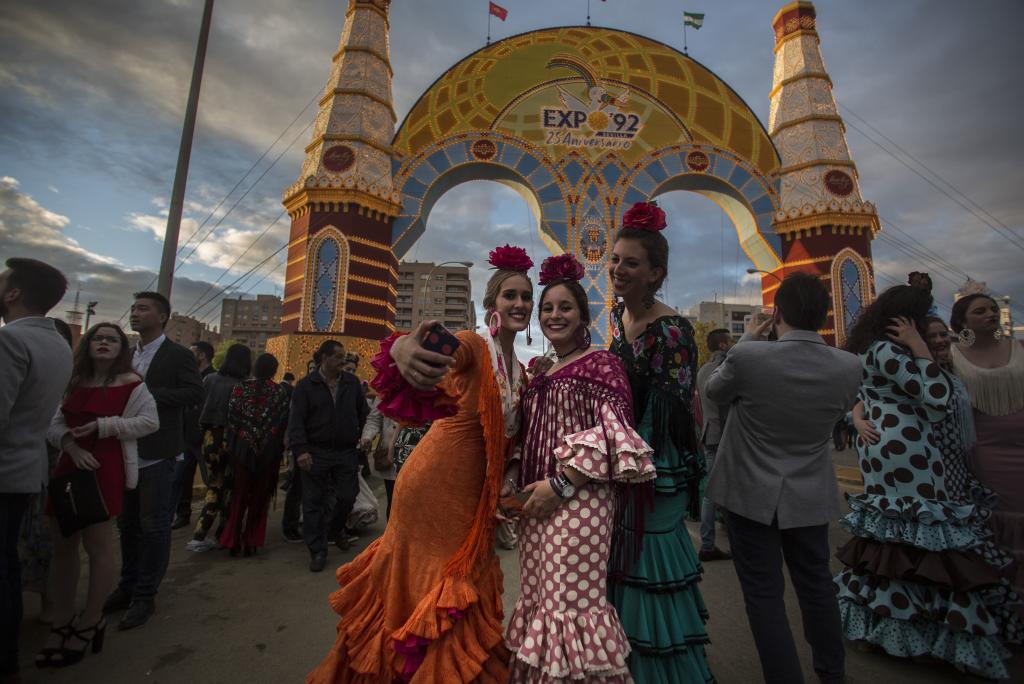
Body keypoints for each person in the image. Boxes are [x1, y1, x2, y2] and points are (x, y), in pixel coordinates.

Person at [306, 245, 533, 683]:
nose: (520, 304)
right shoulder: (472, 345)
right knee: (432, 587)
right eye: (510, 295)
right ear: (492, 306)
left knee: (458, 585)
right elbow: (433, 346)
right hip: (432, 487)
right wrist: (402, 351)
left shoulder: (520, 370)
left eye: (526, 296)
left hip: (472, 500)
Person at [835, 285, 1016, 679]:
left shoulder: (872, 350)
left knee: (898, 538)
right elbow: (936, 394)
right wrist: (918, 346)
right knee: (924, 536)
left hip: (891, 451)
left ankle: (896, 626)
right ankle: (923, 633)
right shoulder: (890, 351)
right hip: (907, 452)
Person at [503, 253, 656, 681]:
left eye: (565, 307)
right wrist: (514, 480)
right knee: (537, 596)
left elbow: (615, 436)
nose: (555, 315)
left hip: (580, 502)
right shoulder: (539, 369)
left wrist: (562, 485)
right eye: (547, 308)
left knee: (569, 604)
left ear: (583, 314)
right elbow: (528, 435)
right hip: (536, 501)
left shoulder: (602, 364)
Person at [705, 273, 861, 684]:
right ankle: (832, 673)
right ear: (824, 314)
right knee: (816, 586)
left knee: (764, 595)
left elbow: (714, 392)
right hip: (809, 496)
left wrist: (746, 340)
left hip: (749, 494)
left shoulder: (751, 358)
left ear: (776, 313)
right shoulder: (849, 367)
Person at [605, 203, 713, 682]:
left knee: (648, 573)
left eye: (631, 263)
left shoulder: (671, 331)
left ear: (655, 274)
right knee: (622, 573)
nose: (618, 270)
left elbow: (668, 418)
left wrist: (617, 457)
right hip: (621, 465)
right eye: (614, 259)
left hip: (654, 472)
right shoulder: (619, 316)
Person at [36, 323, 159, 668]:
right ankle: (61, 621)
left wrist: (104, 427)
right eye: (98, 338)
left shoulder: (131, 384)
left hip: (105, 467)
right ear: (87, 344)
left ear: (122, 348)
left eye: (112, 340)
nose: (104, 344)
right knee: (63, 546)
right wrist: (70, 446)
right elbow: (53, 423)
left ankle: (91, 620)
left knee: (99, 545)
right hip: (70, 466)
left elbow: (150, 422)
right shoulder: (74, 381)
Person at [103, 291, 203, 631]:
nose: (135, 314)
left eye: (143, 309)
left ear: (162, 317)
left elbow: (193, 393)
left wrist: (146, 395)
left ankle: (146, 594)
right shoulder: (126, 356)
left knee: (154, 525)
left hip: (159, 452)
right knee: (127, 523)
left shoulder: (177, 356)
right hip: (125, 450)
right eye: (133, 308)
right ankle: (127, 585)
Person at [0, 257, 72, 683]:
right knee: (7, 567)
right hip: (24, 472)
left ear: (13, 293)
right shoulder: (56, 343)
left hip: (4, 471)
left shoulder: (11, 341)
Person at [949, 292, 1024, 586]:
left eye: (993, 309)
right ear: (962, 322)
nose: (990, 314)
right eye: (980, 311)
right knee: (997, 518)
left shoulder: (1017, 348)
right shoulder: (952, 357)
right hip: (984, 451)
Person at [288, 340, 368, 571]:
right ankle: (317, 550)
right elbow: (296, 422)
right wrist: (300, 450)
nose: (343, 361)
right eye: (338, 357)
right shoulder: (305, 386)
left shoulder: (352, 383)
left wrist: (364, 437)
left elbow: (363, 413)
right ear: (324, 358)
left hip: (345, 452)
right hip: (315, 452)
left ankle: (335, 529)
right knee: (313, 502)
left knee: (347, 495)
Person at [218, 353, 289, 556]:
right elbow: (281, 425)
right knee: (260, 497)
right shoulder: (279, 393)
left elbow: (232, 421)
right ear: (274, 370)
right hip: (268, 453)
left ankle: (232, 540)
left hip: (241, 451)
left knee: (238, 496)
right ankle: (252, 540)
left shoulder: (240, 389)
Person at [189, 343, 251, 550]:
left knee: (215, 484)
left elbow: (199, 408)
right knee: (232, 487)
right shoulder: (245, 385)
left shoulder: (210, 380)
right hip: (234, 440)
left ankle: (199, 534)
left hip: (210, 438)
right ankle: (225, 533)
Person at [695, 327, 733, 563]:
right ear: (722, 345)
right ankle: (710, 543)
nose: (733, 344)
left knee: (713, 490)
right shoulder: (727, 368)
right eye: (730, 341)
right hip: (725, 435)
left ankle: (712, 540)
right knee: (721, 490)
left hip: (709, 434)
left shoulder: (702, 370)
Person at [172, 340, 215, 530]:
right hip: (186, 437)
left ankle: (209, 519)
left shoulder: (213, 378)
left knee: (210, 480)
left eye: (192, 353)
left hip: (205, 438)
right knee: (180, 478)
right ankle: (183, 514)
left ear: (202, 356)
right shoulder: (189, 377)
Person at [359, 398, 398, 519]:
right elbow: (374, 419)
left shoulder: (429, 383)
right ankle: (393, 536)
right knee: (394, 502)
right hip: (390, 457)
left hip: (420, 454)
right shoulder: (387, 389)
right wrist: (367, 437)